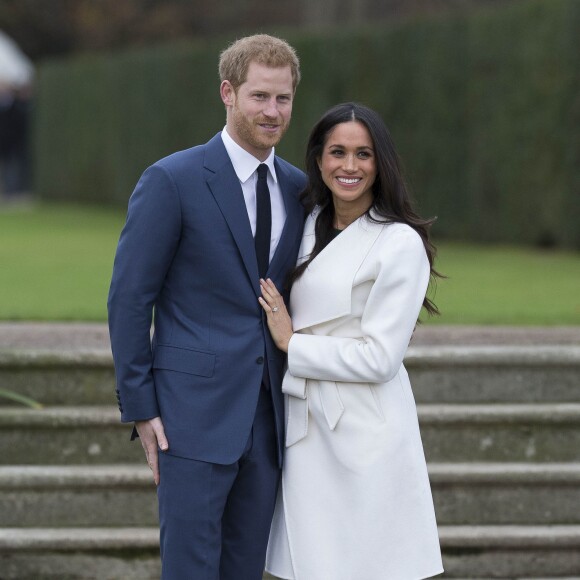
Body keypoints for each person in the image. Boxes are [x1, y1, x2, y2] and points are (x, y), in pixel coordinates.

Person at [107, 34, 306, 580]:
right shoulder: (172, 180)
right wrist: (141, 407)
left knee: (245, 570)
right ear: (228, 92)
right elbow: (129, 299)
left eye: (283, 99)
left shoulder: (299, 189)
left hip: (269, 423)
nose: (272, 111)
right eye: (259, 96)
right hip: (189, 420)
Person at [259, 102, 444, 579]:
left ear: (380, 163)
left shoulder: (398, 243)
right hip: (305, 423)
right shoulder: (304, 224)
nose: (349, 166)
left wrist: (292, 344)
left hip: (365, 431)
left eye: (363, 154)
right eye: (337, 152)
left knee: (366, 564)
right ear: (319, 159)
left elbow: (381, 359)